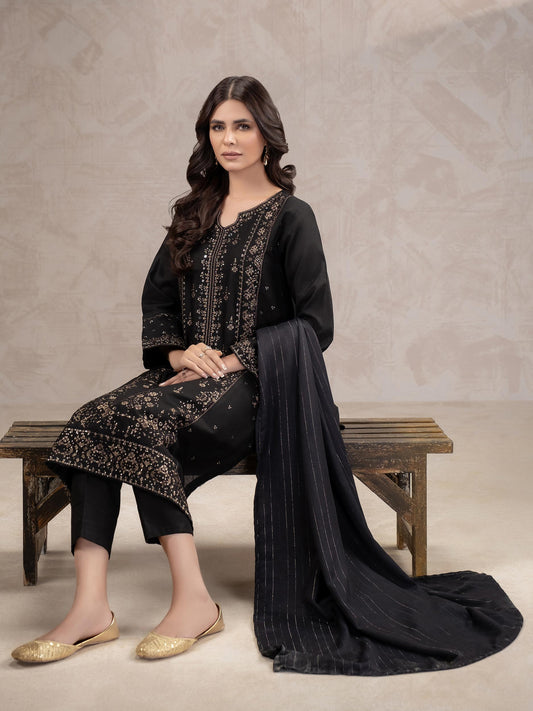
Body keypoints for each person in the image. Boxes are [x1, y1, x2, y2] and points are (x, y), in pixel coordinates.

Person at [11, 75, 334, 663]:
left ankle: (194, 602)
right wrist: (179, 354)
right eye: (217, 127)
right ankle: (90, 608)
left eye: (242, 126)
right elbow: (157, 302)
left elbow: (315, 324)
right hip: (183, 376)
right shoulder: (195, 213)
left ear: (266, 135)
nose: (228, 139)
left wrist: (232, 359)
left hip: (261, 385)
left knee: (144, 426)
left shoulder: (293, 217)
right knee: (91, 419)